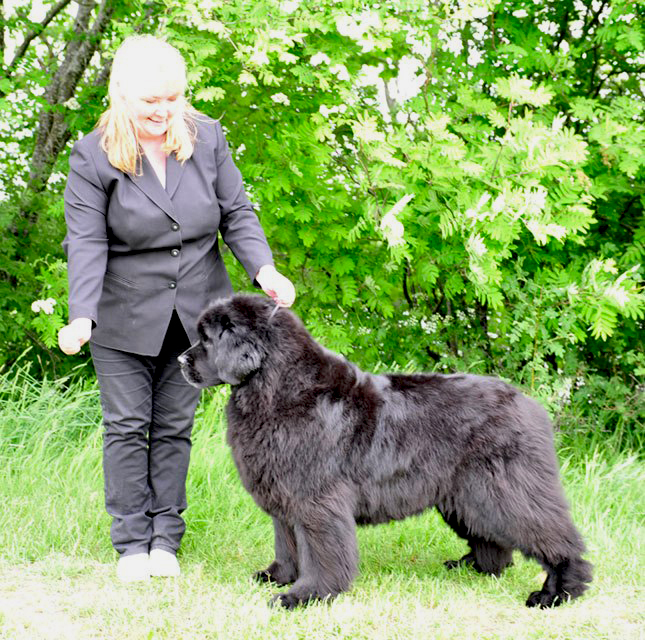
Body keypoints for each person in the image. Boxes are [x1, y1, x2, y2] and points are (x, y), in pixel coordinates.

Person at [57, 35, 295, 583]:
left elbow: (237, 211)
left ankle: (166, 539)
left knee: (173, 426)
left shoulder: (206, 136)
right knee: (126, 426)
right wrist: (81, 314)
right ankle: (131, 543)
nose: (164, 111)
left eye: (173, 98)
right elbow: (86, 241)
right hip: (121, 314)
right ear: (121, 93)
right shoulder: (92, 155)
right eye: (151, 101)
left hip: (196, 316)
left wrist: (265, 270)